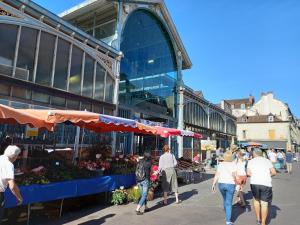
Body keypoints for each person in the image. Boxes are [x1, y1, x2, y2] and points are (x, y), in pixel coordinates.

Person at [247, 148, 276, 225]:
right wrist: (267, 175)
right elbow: (273, 172)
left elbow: (249, 173)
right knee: (264, 203)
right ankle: (263, 223)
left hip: (255, 182)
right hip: (266, 183)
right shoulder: (267, 161)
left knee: (256, 200)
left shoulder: (251, 161)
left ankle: (258, 219)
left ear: (254, 154)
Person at [212, 151, 237, 225]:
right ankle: (228, 221)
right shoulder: (233, 164)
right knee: (229, 202)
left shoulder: (220, 164)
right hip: (230, 184)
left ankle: (226, 211)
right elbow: (234, 175)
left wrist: (213, 184)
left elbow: (217, 175)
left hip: (221, 184)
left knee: (225, 198)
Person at [0, 145, 23, 223]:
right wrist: (19, 198)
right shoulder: (9, 164)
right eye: (17, 156)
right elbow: (12, 186)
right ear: (14, 156)